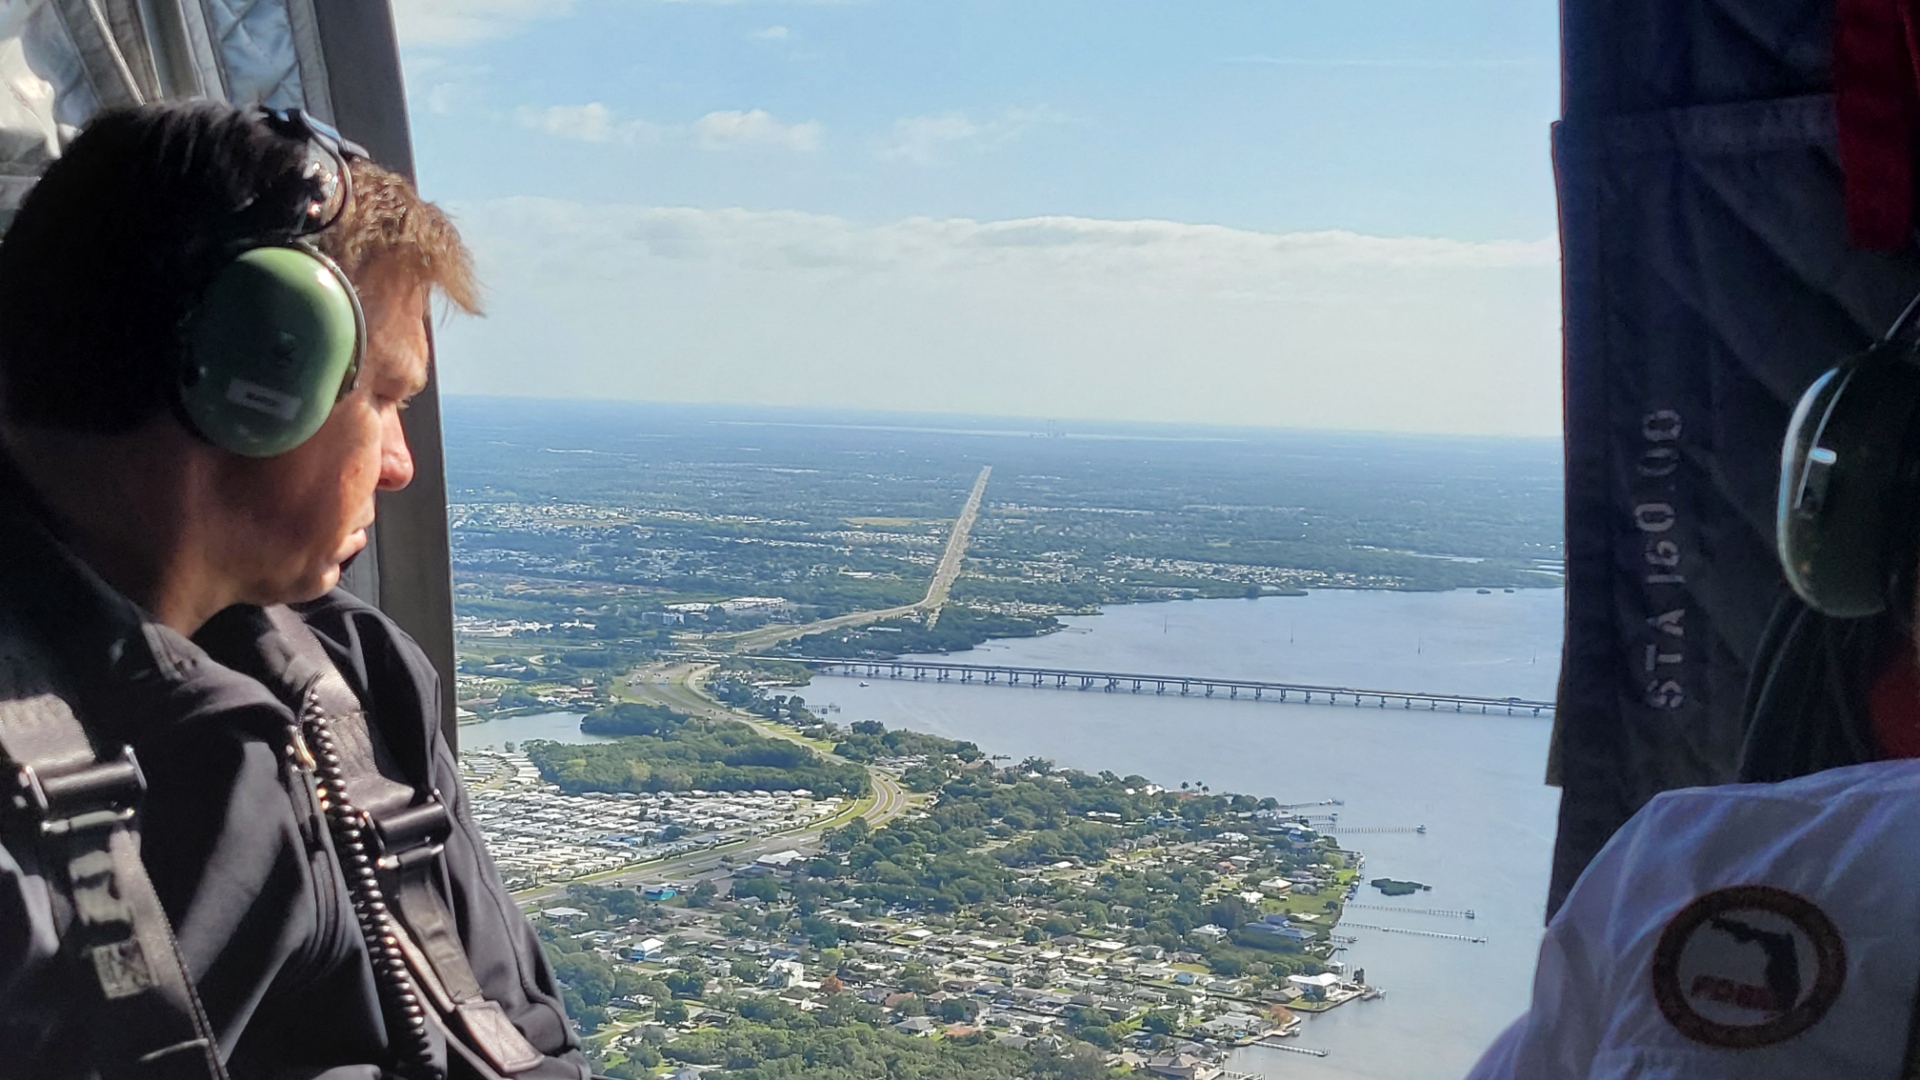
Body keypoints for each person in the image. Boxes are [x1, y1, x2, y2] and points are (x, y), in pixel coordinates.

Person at [0, 102, 586, 1078]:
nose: (397, 465)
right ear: (257, 378)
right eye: (387, 399)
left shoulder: (355, 679)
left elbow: (523, 1037)